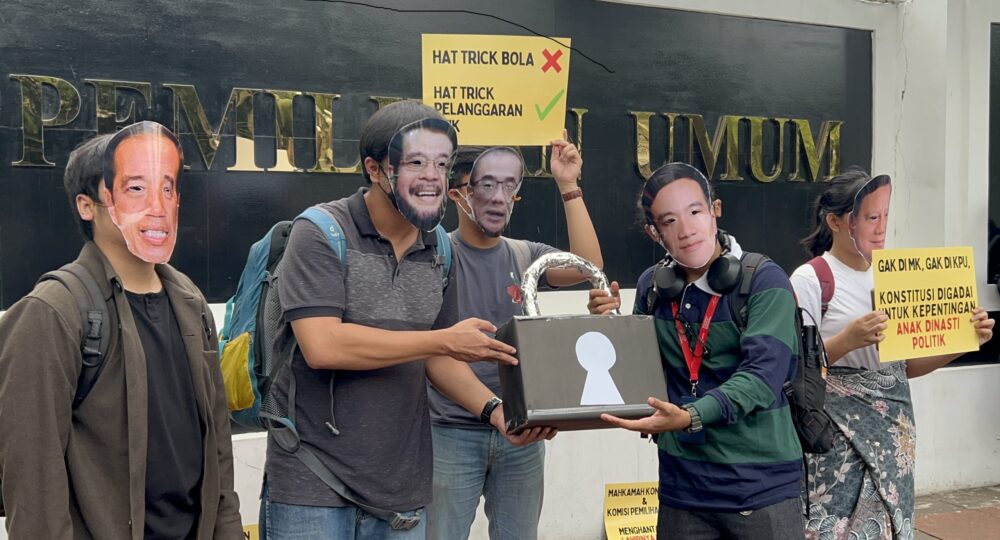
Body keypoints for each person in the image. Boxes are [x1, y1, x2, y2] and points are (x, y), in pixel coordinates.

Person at [259, 101, 550, 539]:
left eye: (442, 163)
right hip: (311, 484)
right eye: (416, 162)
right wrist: (441, 341)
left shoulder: (439, 250)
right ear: (375, 169)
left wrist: (496, 412)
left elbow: (440, 360)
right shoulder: (320, 231)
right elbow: (324, 345)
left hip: (401, 492)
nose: (433, 176)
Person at [0, 122, 242, 539]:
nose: (157, 206)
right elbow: (33, 477)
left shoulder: (190, 303)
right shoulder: (53, 312)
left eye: (167, 187)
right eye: (136, 188)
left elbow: (218, 447)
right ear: (86, 205)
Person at [588, 162, 805, 539]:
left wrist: (690, 415)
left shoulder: (765, 281)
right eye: (669, 221)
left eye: (695, 212)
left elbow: (761, 378)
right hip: (681, 490)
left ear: (715, 210)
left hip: (760, 488)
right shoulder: (653, 287)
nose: (686, 230)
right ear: (654, 233)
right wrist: (610, 327)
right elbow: (639, 374)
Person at [790, 170, 995, 540]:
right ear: (835, 222)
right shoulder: (811, 280)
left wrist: (965, 341)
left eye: (885, 215)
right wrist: (847, 340)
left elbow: (904, 368)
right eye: (871, 217)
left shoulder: (893, 276)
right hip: (834, 439)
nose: (882, 227)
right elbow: (792, 363)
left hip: (892, 436)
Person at [426, 139, 602, 540]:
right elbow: (433, 353)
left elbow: (588, 266)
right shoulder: (435, 256)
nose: (498, 198)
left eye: (508, 187)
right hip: (450, 433)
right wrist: (494, 411)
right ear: (457, 194)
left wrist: (568, 185)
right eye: (486, 185)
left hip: (523, 434)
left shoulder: (525, 254)